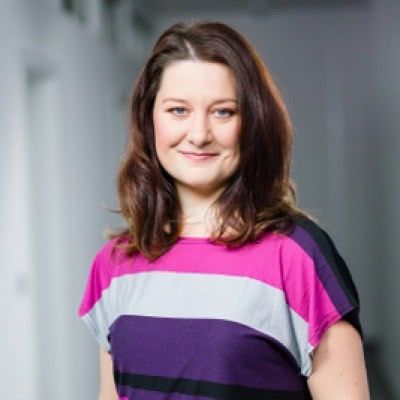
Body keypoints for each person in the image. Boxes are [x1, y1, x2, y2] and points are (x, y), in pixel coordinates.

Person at [77, 20, 370, 400]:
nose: (199, 134)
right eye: (178, 110)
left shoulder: (296, 257)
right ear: (149, 119)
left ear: (253, 123)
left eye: (223, 112)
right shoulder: (114, 265)